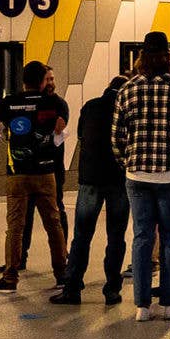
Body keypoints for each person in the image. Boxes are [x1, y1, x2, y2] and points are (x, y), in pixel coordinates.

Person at [113, 31, 170, 321]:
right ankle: (169, 303)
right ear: (168, 56)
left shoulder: (127, 89)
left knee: (141, 238)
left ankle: (141, 306)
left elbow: (116, 137)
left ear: (141, 57)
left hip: (137, 175)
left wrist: (129, 161)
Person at [0, 60, 70, 292]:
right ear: (43, 81)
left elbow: (2, 133)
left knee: (15, 225)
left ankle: (10, 277)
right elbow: (59, 132)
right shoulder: (56, 104)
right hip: (46, 172)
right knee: (54, 224)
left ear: (24, 81)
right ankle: (62, 273)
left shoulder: (8, 103)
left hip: (17, 173)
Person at [51, 73, 129, 306]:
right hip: (118, 179)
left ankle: (72, 289)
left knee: (82, 235)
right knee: (116, 236)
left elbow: (82, 135)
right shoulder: (125, 109)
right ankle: (112, 290)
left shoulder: (91, 106)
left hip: (90, 179)